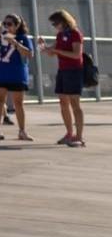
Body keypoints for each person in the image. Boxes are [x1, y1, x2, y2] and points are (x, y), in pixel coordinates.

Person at [41, 10, 86, 147]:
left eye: (56, 23)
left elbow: (76, 55)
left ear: (64, 21)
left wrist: (56, 51)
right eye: (53, 24)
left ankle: (79, 136)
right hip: (62, 71)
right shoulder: (60, 35)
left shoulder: (75, 33)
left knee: (75, 104)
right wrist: (44, 46)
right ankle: (69, 133)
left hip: (73, 71)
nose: (54, 26)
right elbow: (50, 53)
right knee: (63, 103)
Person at [0, 13, 34, 142]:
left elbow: (29, 54)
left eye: (9, 24)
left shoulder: (23, 38)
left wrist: (15, 43)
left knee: (18, 103)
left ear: (17, 25)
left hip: (16, 74)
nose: (6, 26)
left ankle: (22, 131)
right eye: (5, 24)